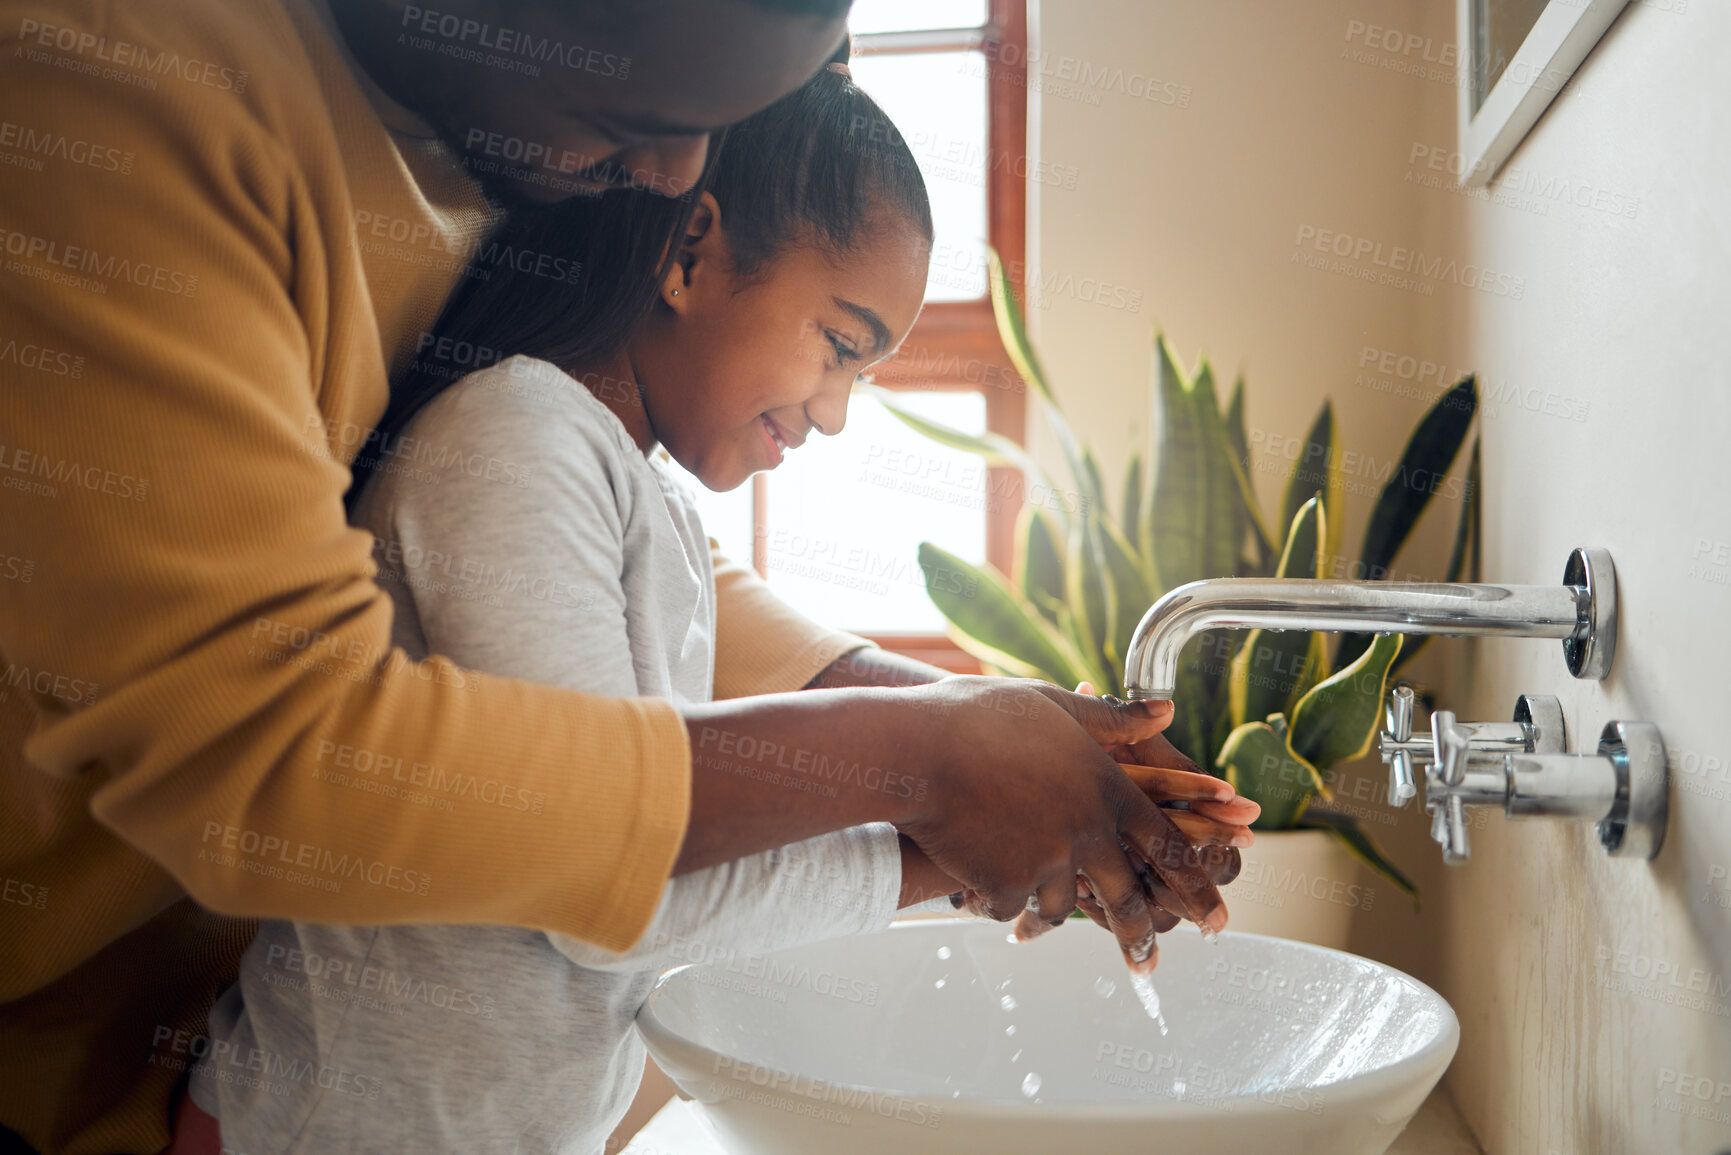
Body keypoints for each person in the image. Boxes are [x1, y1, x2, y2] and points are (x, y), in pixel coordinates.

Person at [0, 2, 1226, 1152]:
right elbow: (292, 752)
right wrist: (931, 779)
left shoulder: (556, 265)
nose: (680, 172)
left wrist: (979, 741)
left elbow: (600, 602)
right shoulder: (133, 88)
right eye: (642, 123)